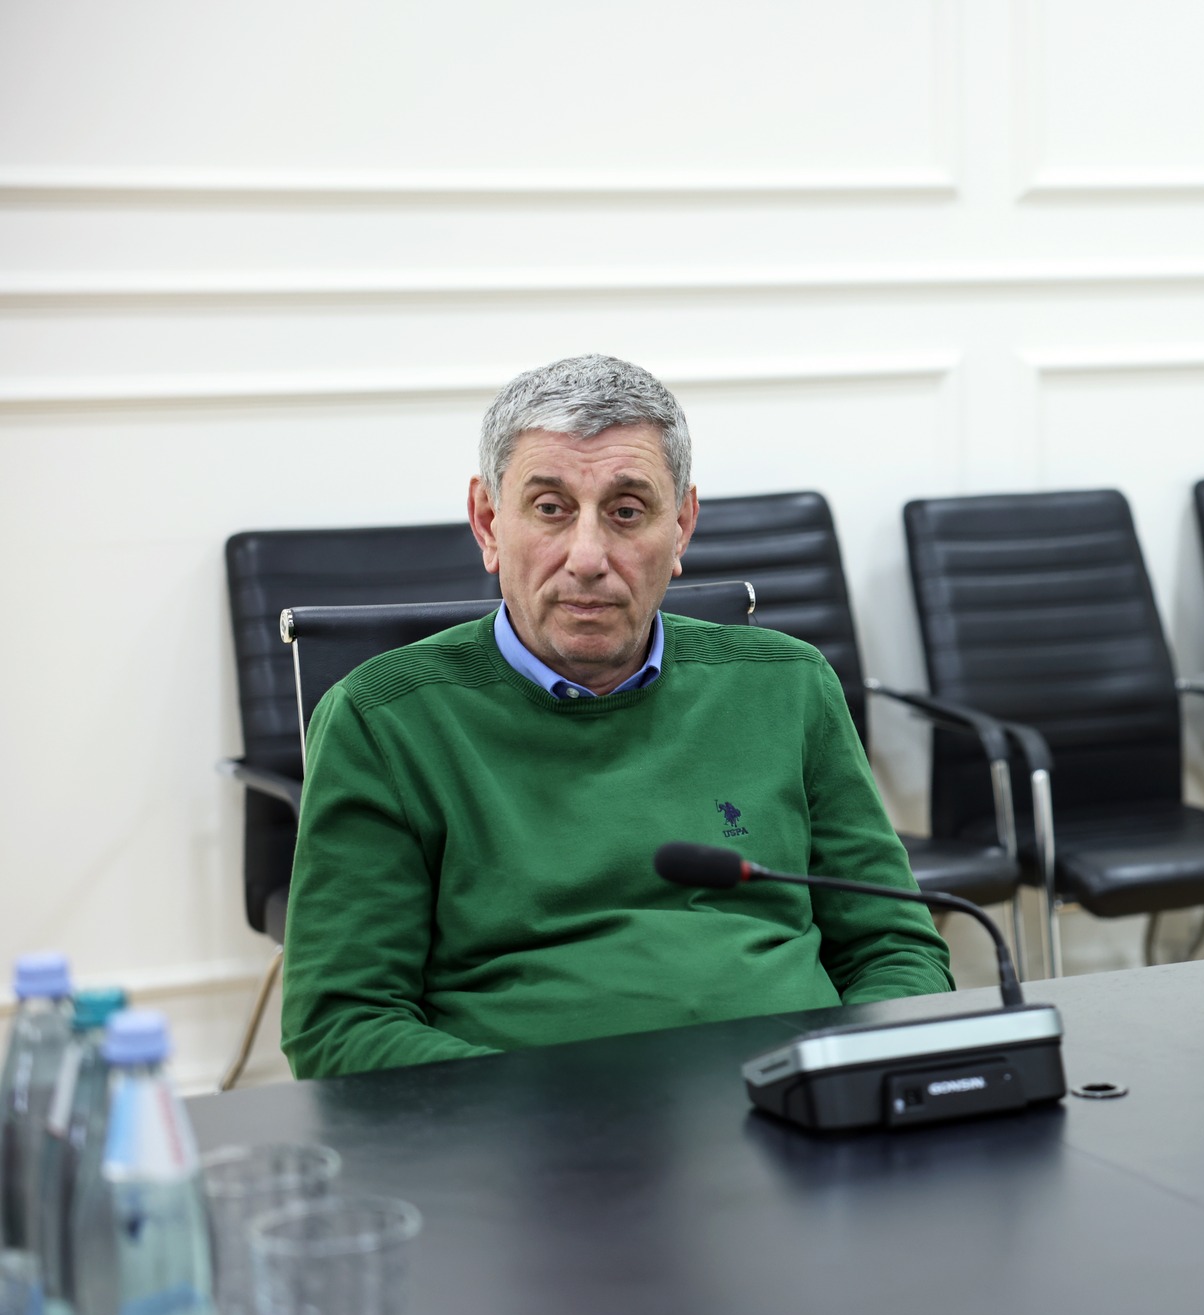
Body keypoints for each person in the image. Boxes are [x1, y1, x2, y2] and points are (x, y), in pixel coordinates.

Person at [280, 355, 953, 1078]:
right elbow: (342, 1025)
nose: (588, 557)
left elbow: (896, 949)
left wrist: (847, 1078)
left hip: (796, 1109)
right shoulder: (381, 720)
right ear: (487, 522)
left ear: (682, 526)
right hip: (530, 1132)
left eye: (627, 511)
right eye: (550, 508)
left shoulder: (789, 684)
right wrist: (545, 1119)